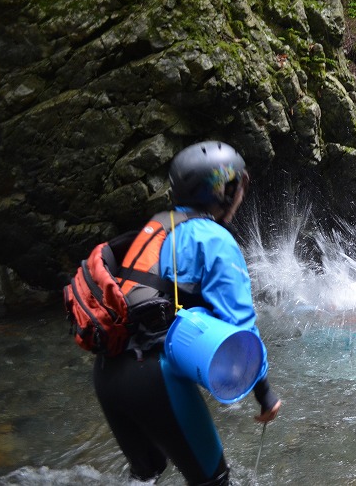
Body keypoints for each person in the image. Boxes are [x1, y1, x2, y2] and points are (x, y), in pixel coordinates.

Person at [93, 141, 281, 485]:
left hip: (108, 372)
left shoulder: (157, 226)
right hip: (153, 378)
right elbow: (241, 328)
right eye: (238, 184)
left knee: (146, 477)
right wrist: (265, 393)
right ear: (224, 191)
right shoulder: (215, 240)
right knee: (215, 481)